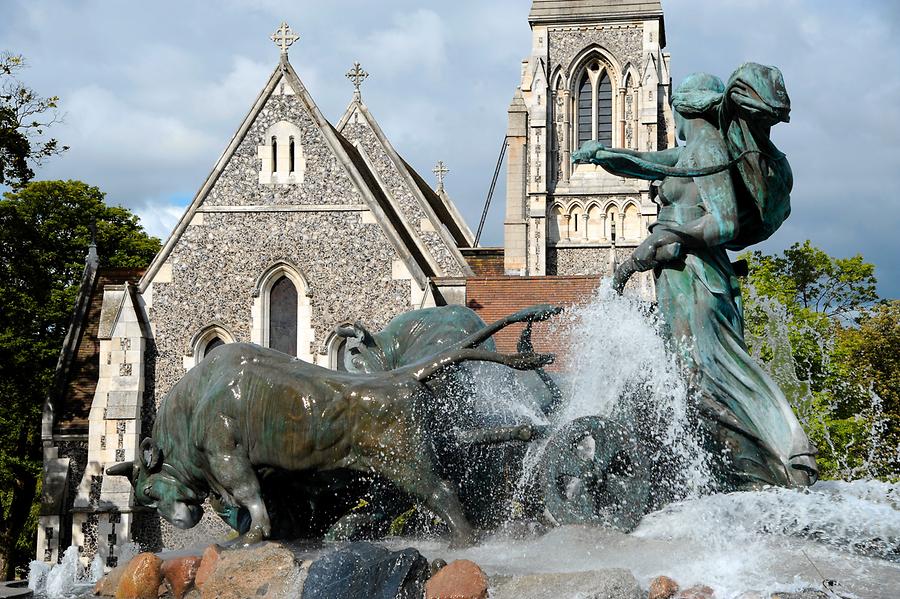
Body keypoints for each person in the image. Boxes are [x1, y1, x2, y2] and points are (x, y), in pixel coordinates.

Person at [573, 64, 817, 488]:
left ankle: (779, 459)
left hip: (700, 281)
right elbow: (646, 162)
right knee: (688, 377)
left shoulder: (707, 153)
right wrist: (603, 155)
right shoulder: (692, 153)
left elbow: (723, 226)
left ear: (684, 110)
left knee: (711, 375)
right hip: (681, 278)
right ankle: (732, 470)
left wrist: (667, 235)